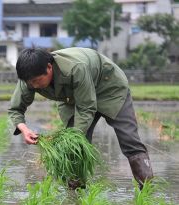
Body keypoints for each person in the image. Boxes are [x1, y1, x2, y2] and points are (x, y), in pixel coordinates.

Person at [9, 47, 153, 189]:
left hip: (109, 88)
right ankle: (76, 193)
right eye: (30, 83)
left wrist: (72, 137)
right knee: (74, 148)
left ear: (49, 67)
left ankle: (146, 191)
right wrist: (24, 129)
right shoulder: (29, 77)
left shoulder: (74, 68)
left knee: (129, 138)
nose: (34, 85)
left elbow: (86, 107)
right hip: (73, 97)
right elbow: (15, 109)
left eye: (37, 81)